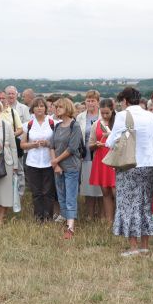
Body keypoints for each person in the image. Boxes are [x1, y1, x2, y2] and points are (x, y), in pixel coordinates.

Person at [106, 87, 153, 256]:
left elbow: (110, 142)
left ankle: (134, 247)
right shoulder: (150, 115)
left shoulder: (122, 116)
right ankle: (144, 245)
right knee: (144, 203)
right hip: (149, 163)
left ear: (125, 101)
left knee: (128, 204)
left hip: (129, 163)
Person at [50, 98, 83, 239]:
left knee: (70, 196)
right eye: (56, 107)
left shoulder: (75, 126)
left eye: (60, 107)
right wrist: (56, 164)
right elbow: (52, 146)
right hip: (58, 167)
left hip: (71, 167)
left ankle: (71, 227)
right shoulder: (57, 126)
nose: (57, 109)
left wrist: (56, 160)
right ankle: (65, 218)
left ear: (67, 108)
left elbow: (72, 148)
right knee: (61, 195)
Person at [21, 97, 56, 221]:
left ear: (46, 109)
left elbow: (57, 142)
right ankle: (38, 217)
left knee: (48, 192)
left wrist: (47, 143)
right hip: (33, 162)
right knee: (36, 192)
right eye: (37, 106)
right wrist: (33, 145)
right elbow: (22, 145)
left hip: (48, 162)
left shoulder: (53, 123)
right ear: (33, 109)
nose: (39, 108)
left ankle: (48, 217)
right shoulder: (28, 125)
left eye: (42, 106)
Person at [89, 98, 117, 223]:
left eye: (107, 113)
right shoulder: (96, 124)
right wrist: (96, 144)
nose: (105, 115)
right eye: (103, 113)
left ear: (112, 110)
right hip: (101, 159)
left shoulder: (118, 123)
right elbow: (90, 144)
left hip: (115, 160)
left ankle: (119, 220)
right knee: (105, 192)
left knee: (116, 192)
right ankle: (109, 220)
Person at [76, 90, 103, 219]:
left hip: (101, 154)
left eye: (93, 100)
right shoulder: (80, 117)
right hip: (85, 155)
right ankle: (90, 214)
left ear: (98, 102)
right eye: (88, 100)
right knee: (88, 186)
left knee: (101, 187)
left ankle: (102, 214)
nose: (90, 103)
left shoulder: (102, 116)